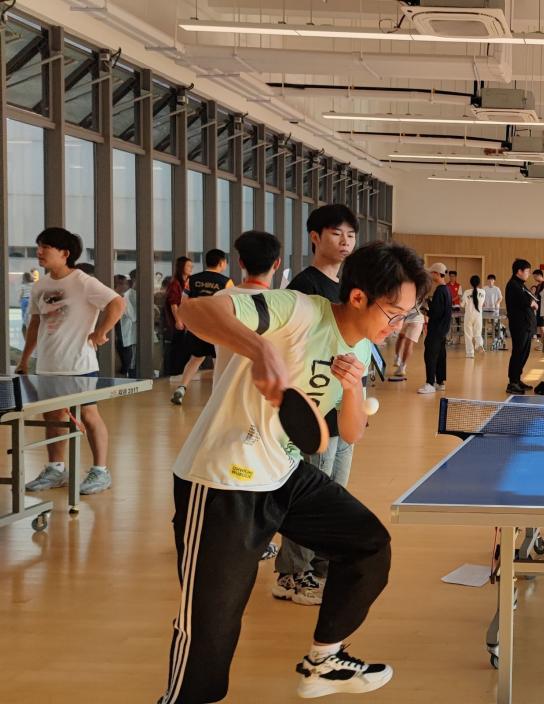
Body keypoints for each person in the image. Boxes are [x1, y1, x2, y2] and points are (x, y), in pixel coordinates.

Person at [157, 242, 428, 703]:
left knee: (367, 545)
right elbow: (196, 310)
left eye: (406, 315)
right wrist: (260, 348)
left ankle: (324, 660)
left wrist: (352, 389)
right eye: (394, 313)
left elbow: (351, 431)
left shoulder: (363, 345)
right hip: (223, 480)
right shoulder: (297, 310)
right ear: (358, 297)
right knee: (211, 627)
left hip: (284, 472)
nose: (398, 325)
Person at [274, 203, 359, 605]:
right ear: (315, 237)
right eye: (336, 233)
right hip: (316, 405)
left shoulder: (347, 288)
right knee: (310, 493)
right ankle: (291, 573)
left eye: (351, 235)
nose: (345, 242)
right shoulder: (304, 287)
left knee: (334, 494)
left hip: (343, 406)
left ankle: (320, 565)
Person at [18, 228, 126, 496]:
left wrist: (100, 332)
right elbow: (35, 324)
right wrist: (25, 359)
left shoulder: (83, 282)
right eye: (39, 246)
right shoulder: (40, 285)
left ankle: (101, 471)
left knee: (88, 415)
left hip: (79, 365)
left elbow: (117, 303)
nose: (39, 252)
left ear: (65, 253)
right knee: (52, 416)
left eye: (45, 247)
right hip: (48, 365)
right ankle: (56, 469)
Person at [213, 231, 283, 391]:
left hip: (223, 391)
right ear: (277, 264)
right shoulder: (281, 303)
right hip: (264, 394)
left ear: (241, 263)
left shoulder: (220, 298)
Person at [171, 249, 233, 405]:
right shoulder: (226, 282)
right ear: (221, 263)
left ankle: (181, 388)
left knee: (196, 358)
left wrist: (185, 322)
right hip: (217, 328)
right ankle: (217, 397)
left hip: (197, 327)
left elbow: (184, 303)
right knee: (218, 361)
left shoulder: (192, 280)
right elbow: (230, 306)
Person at [418, 263, 452, 394]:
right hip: (443, 329)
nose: (431, 275)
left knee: (430, 355)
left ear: (437, 274)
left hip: (436, 329)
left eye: (432, 273)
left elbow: (436, 313)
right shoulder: (446, 290)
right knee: (441, 355)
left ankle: (430, 383)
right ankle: (440, 382)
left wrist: (425, 310)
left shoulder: (439, 291)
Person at [505, 259, 538, 394]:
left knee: (524, 353)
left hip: (526, 325)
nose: (528, 274)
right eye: (527, 271)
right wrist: (532, 303)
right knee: (518, 353)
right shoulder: (513, 285)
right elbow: (524, 300)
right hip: (519, 325)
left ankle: (517, 379)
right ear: (519, 271)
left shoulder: (521, 285)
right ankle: (512, 383)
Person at [163, 256, 193, 376]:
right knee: (177, 349)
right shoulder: (175, 283)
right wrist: (178, 320)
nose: (191, 268)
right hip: (177, 322)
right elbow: (173, 303)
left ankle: (180, 372)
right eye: (188, 266)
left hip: (186, 321)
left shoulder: (188, 282)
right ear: (181, 267)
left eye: (191, 266)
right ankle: (174, 372)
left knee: (184, 348)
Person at [390, 305, 424, 380]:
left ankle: (397, 358)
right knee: (409, 343)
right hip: (417, 318)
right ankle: (402, 366)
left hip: (404, 316)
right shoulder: (423, 297)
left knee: (401, 337)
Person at [114, 273, 138, 378]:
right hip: (118, 332)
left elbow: (133, 316)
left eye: (125, 283)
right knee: (124, 353)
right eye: (121, 284)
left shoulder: (128, 296)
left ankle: (125, 373)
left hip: (123, 332)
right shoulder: (120, 296)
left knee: (125, 354)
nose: (125, 286)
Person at [462, 274, 485, 357]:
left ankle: (470, 353)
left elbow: (462, 305)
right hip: (478, 315)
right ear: (479, 283)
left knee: (468, 334)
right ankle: (479, 345)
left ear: (470, 283)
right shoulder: (483, 292)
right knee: (478, 333)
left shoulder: (466, 292)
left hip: (469, 315)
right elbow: (482, 303)